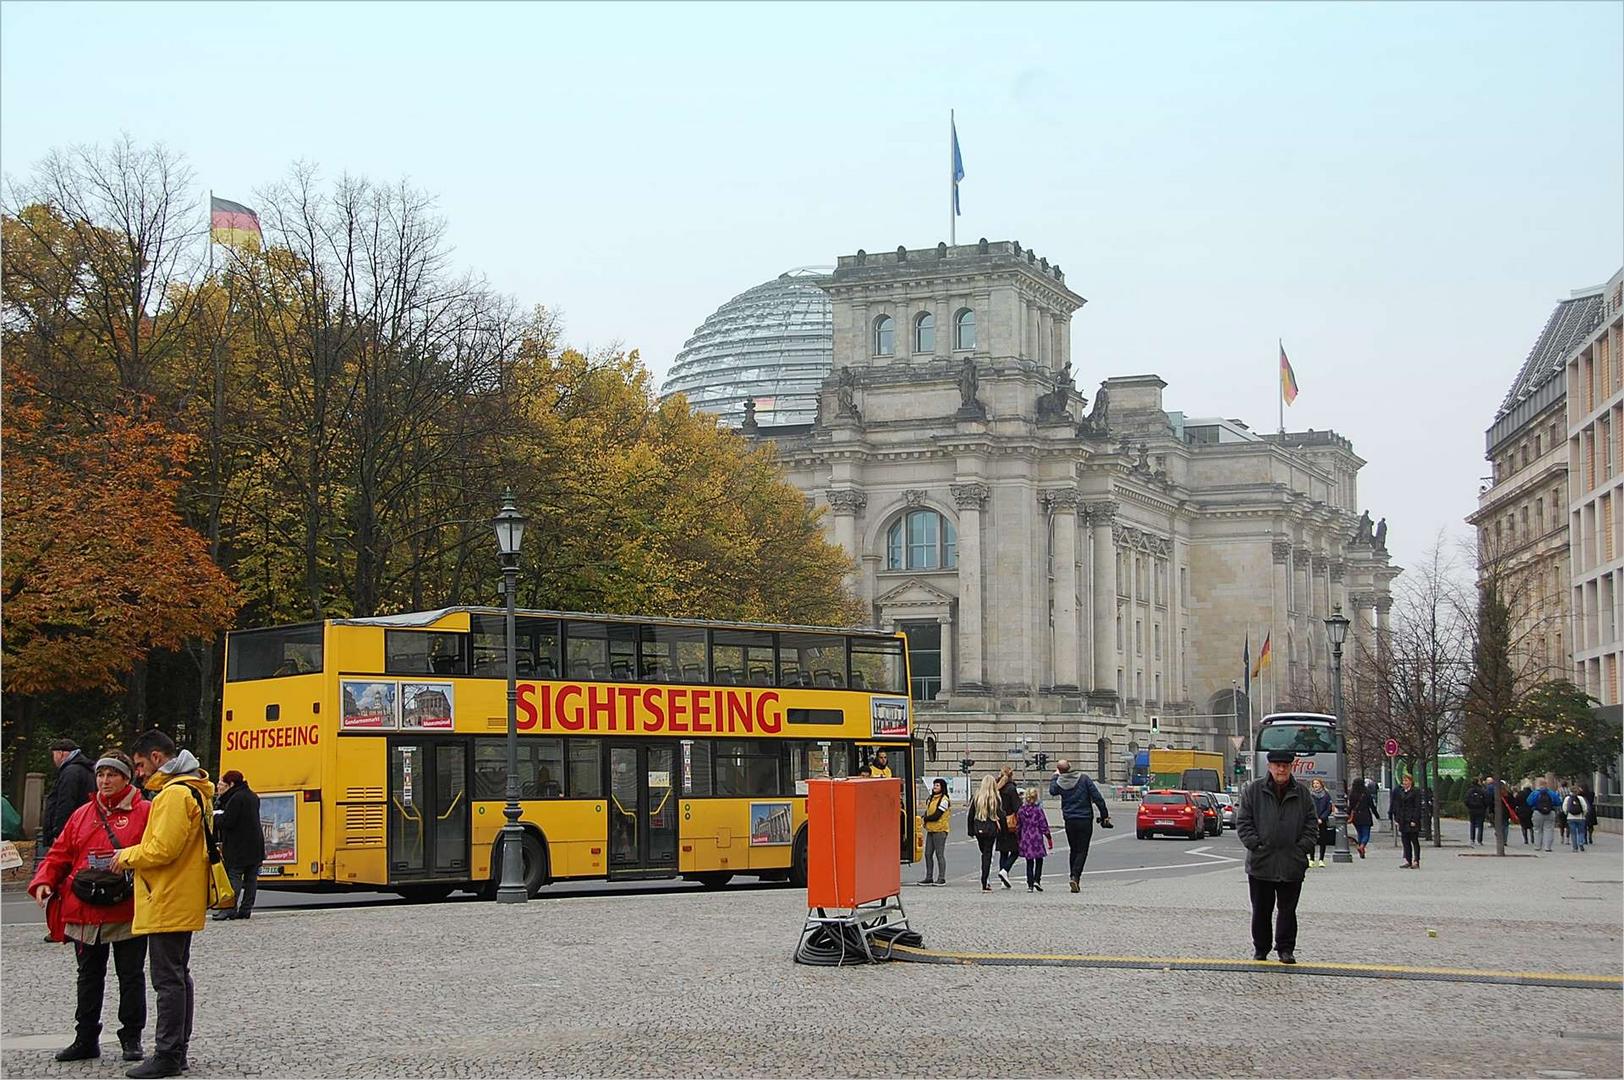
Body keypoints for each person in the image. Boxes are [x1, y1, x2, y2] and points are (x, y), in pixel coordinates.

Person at [27, 752, 151, 1064]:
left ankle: (131, 1037)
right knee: (88, 976)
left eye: (112, 775)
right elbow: (59, 853)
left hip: (126, 907)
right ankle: (85, 1037)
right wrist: (44, 881)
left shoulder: (145, 812)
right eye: (101, 775)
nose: (105, 781)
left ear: (126, 778)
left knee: (131, 975)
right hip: (84, 909)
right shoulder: (82, 814)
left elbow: (155, 852)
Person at [112, 730, 215, 1080]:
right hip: (181, 893)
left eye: (139, 765)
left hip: (167, 894)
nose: (138, 773)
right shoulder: (194, 789)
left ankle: (169, 1053)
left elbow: (162, 849)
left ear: (157, 757)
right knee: (178, 975)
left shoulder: (173, 795)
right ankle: (177, 1050)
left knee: (167, 979)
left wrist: (125, 856)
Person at [1235, 749, 1317, 963]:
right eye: (1277, 765)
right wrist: (1256, 845)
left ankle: (1285, 949)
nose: (1281, 769)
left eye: (1285, 765)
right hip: (1262, 862)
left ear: (1291, 767)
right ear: (1269, 767)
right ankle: (1261, 948)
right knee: (1261, 910)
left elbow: (1311, 824)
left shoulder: (1302, 793)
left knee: (1288, 911)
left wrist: (1302, 849)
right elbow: (1243, 822)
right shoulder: (1253, 791)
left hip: (1292, 862)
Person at [1049, 759, 1113, 893]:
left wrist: (1055, 776)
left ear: (1059, 770)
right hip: (1084, 819)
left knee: (1073, 849)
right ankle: (1075, 877)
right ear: (1070, 767)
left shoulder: (1060, 782)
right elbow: (1098, 798)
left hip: (1069, 819)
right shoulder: (1084, 779)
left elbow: (1052, 791)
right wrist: (1105, 815)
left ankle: (1072, 875)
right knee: (1082, 850)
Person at [213, 771, 264, 920]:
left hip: (239, 846)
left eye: (223, 783)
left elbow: (228, 821)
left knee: (234, 877)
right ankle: (246, 909)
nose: (220, 785)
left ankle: (229, 908)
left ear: (232, 784)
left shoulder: (236, 798)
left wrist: (215, 817)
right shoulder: (252, 796)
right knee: (251, 879)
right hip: (255, 845)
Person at [41, 739, 98, 855]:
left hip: (69, 832)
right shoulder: (86, 770)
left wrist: (58, 833)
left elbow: (65, 803)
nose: (54, 759)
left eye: (54, 755)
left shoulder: (70, 772)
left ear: (60, 753)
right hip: (81, 828)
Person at [967, 775, 1002, 891]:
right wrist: (1004, 829)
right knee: (987, 854)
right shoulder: (995, 798)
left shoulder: (977, 797)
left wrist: (970, 830)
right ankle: (985, 879)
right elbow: (1000, 815)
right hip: (991, 830)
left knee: (984, 853)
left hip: (979, 829)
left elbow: (971, 814)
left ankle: (985, 877)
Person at [1016, 788, 1052, 892]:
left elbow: (1018, 826)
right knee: (1039, 859)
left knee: (1029, 862)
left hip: (1026, 837)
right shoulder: (1038, 810)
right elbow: (1043, 825)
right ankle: (1037, 880)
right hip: (1036, 836)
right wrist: (1048, 837)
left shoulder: (1021, 811)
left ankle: (1030, 885)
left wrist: (1018, 838)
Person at [918, 778, 950, 886]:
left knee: (939, 854)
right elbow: (929, 811)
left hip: (940, 830)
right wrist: (925, 817)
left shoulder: (944, 800)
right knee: (927, 854)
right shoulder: (931, 798)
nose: (934, 787)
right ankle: (929, 877)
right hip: (931, 829)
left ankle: (941, 878)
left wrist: (926, 819)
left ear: (942, 787)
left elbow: (937, 815)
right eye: (934, 785)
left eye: (937, 786)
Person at [995, 765, 1022, 889]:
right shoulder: (1011, 789)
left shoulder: (997, 788)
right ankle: (1005, 870)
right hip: (1010, 823)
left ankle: (1003, 879)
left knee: (1003, 851)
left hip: (999, 822)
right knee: (1016, 850)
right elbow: (1017, 807)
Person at [1391, 773, 1424, 868]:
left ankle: (1416, 860)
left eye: (1406, 780)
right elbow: (1398, 806)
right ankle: (1408, 860)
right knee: (1405, 841)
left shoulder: (1415, 792)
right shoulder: (1401, 792)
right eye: (1403, 780)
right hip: (1403, 819)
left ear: (1411, 781)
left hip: (1412, 819)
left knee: (1414, 840)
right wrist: (1397, 819)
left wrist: (1415, 819)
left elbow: (1417, 807)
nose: (1404, 782)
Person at [1347, 775, 1380, 858]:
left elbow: (1350, 806)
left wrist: (1348, 815)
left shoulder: (1352, 793)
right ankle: (1362, 846)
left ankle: (1360, 846)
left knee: (1359, 833)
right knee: (1366, 833)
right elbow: (1371, 805)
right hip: (1365, 815)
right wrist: (1377, 815)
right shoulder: (1366, 793)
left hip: (1356, 816)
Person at [1526, 778, 1559, 852]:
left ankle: (1537, 846)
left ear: (1538, 784)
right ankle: (1548, 847)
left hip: (1537, 812)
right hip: (1550, 812)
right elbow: (1558, 802)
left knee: (1537, 830)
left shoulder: (1535, 793)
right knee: (1549, 829)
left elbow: (1529, 802)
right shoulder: (1551, 793)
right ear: (1546, 784)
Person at [1308, 778, 1333, 868]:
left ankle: (1321, 859)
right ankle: (1311, 859)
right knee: (1312, 840)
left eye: (1317, 783)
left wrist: (1322, 818)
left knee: (1323, 840)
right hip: (1312, 820)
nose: (1315, 785)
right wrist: (1314, 818)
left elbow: (1329, 808)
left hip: (1323, 821)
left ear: (1321, 784)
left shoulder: (1326, 795)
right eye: (1314, 783)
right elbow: (1308, 807)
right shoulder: (1310, 795)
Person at [1564, 787, 1590, 852]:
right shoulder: (1580, 798)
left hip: (1570, 818)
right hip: (1580, 817)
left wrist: (1566, 813)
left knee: (1573, 833)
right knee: (1581, 831)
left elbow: (1564, 807)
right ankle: (1581, 842)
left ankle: (1575, 847)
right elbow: (1585, 807)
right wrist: (1584, 814)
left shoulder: (1567, 798)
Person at [1465, 778, 1489, 847]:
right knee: (1480, 825)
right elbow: (1486, 800)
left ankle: (1472, 839)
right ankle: (1479, 840)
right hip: (1481, 810)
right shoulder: (1482, 791)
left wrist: (1469, 806)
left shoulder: (1469, 791)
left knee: (1472, 824)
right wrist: (1484, 807)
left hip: (1472, 810)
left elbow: (1466, 800)